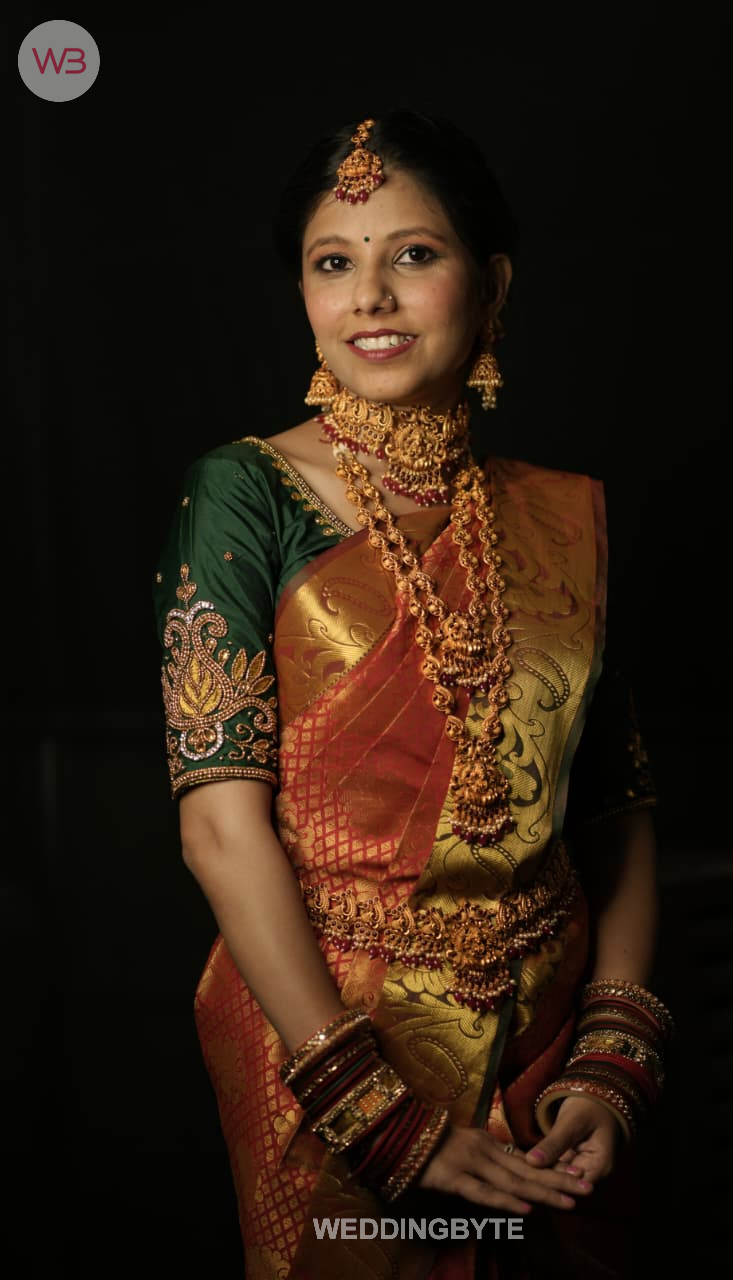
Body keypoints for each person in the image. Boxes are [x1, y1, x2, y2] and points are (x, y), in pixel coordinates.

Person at [152, 109, 671, 1280]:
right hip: (330, 1043)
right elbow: (217, 826)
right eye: (334, 263)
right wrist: (372, 1108)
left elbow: (616, 809)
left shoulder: (561, 518)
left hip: (550, 1049)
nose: (370, 297)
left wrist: (611, 1060)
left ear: (492, 285)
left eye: (414, 254)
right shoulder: (245, 493)